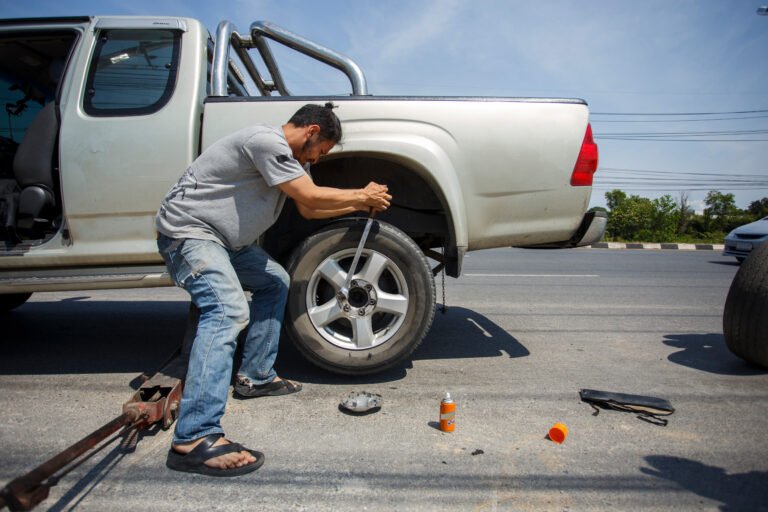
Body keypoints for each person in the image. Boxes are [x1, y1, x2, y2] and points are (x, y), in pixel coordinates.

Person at [155, 103, 391, 476]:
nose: (320, 157)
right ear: (311, 131)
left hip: (226, 244)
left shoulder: (294, 161)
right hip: (190, 235)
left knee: (276, 281)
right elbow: (312, 199)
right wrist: (361, 195)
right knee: (228, 311)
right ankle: (194, 438)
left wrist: (359, 202)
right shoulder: (265, 142)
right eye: (322, 150)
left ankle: (256, 376)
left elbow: (309, 210)